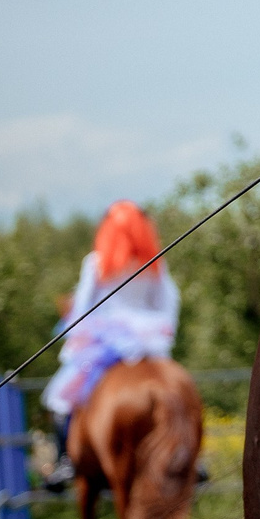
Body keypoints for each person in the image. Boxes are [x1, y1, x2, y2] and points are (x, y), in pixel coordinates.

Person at [41, 203, 181, 490]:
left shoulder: (96, 262)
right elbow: (169, 304)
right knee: (173, 391)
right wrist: (160, 332)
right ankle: (190, 454)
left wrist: (77, 335)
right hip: (146, 339)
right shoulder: (154, 262)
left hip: (105, 338)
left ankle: (65, 461)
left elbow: (82, 308)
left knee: (62, 398)